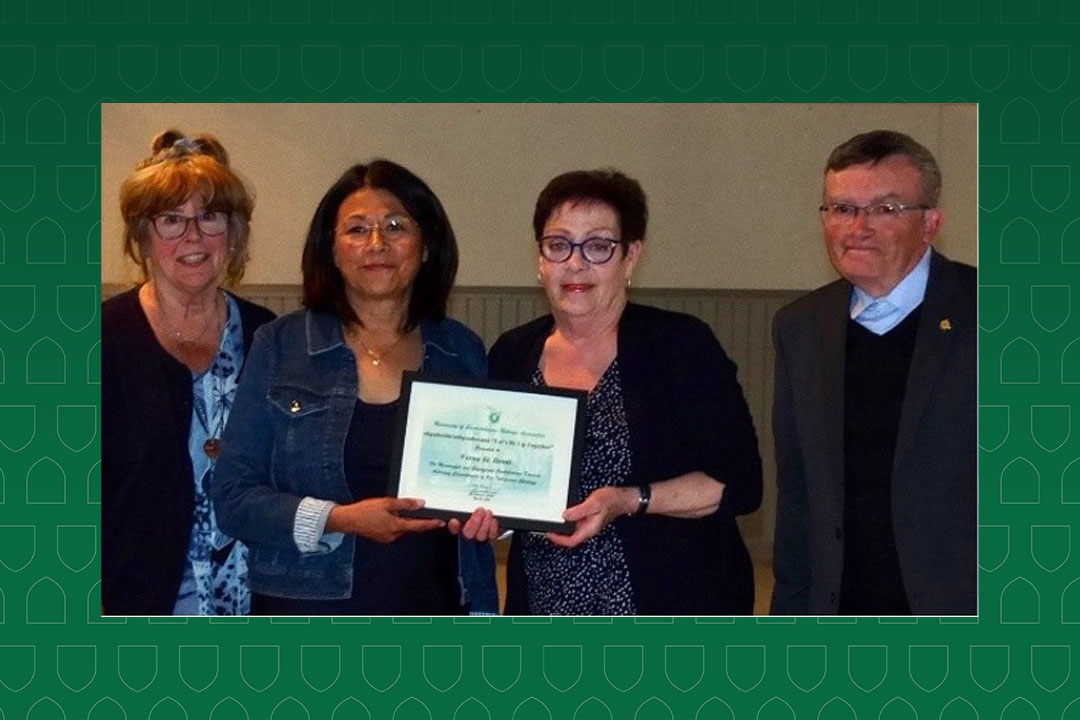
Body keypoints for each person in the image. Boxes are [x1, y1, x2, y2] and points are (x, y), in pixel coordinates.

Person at [210, 160, 499, 615]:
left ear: (426, 247)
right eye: (357, 230)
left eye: (396, 226)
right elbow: (233, 497)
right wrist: (341, 520)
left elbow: (488, 487)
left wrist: (493, 520)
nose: (377, 243)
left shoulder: (461, 350)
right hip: (304, 610)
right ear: (333, 250)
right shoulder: (280, 345)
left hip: (434, 605)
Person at [488, 169, 762, 615]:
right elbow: (501, 479)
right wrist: (487, 516)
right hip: (544, 607)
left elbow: (740, 484)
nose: (575, 264)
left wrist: (630, 500)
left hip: (670, 609)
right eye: (558, 245)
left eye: (598, 246)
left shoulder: (681, 345)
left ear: (631, 256)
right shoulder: (512, 353)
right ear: (540, 259)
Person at [770, 130, 976, 616]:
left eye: (885, 209)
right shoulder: (800, 327)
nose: (856, 227)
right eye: (841, 209)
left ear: (931, 222)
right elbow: (798, 492)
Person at [101, 130, 276, 614]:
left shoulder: (271, 338)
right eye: (171, 220)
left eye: (210, 217)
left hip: (257, 604)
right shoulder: (102, 340)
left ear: (234, 232)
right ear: (142, 236)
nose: (193, 237)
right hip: (132, 603)